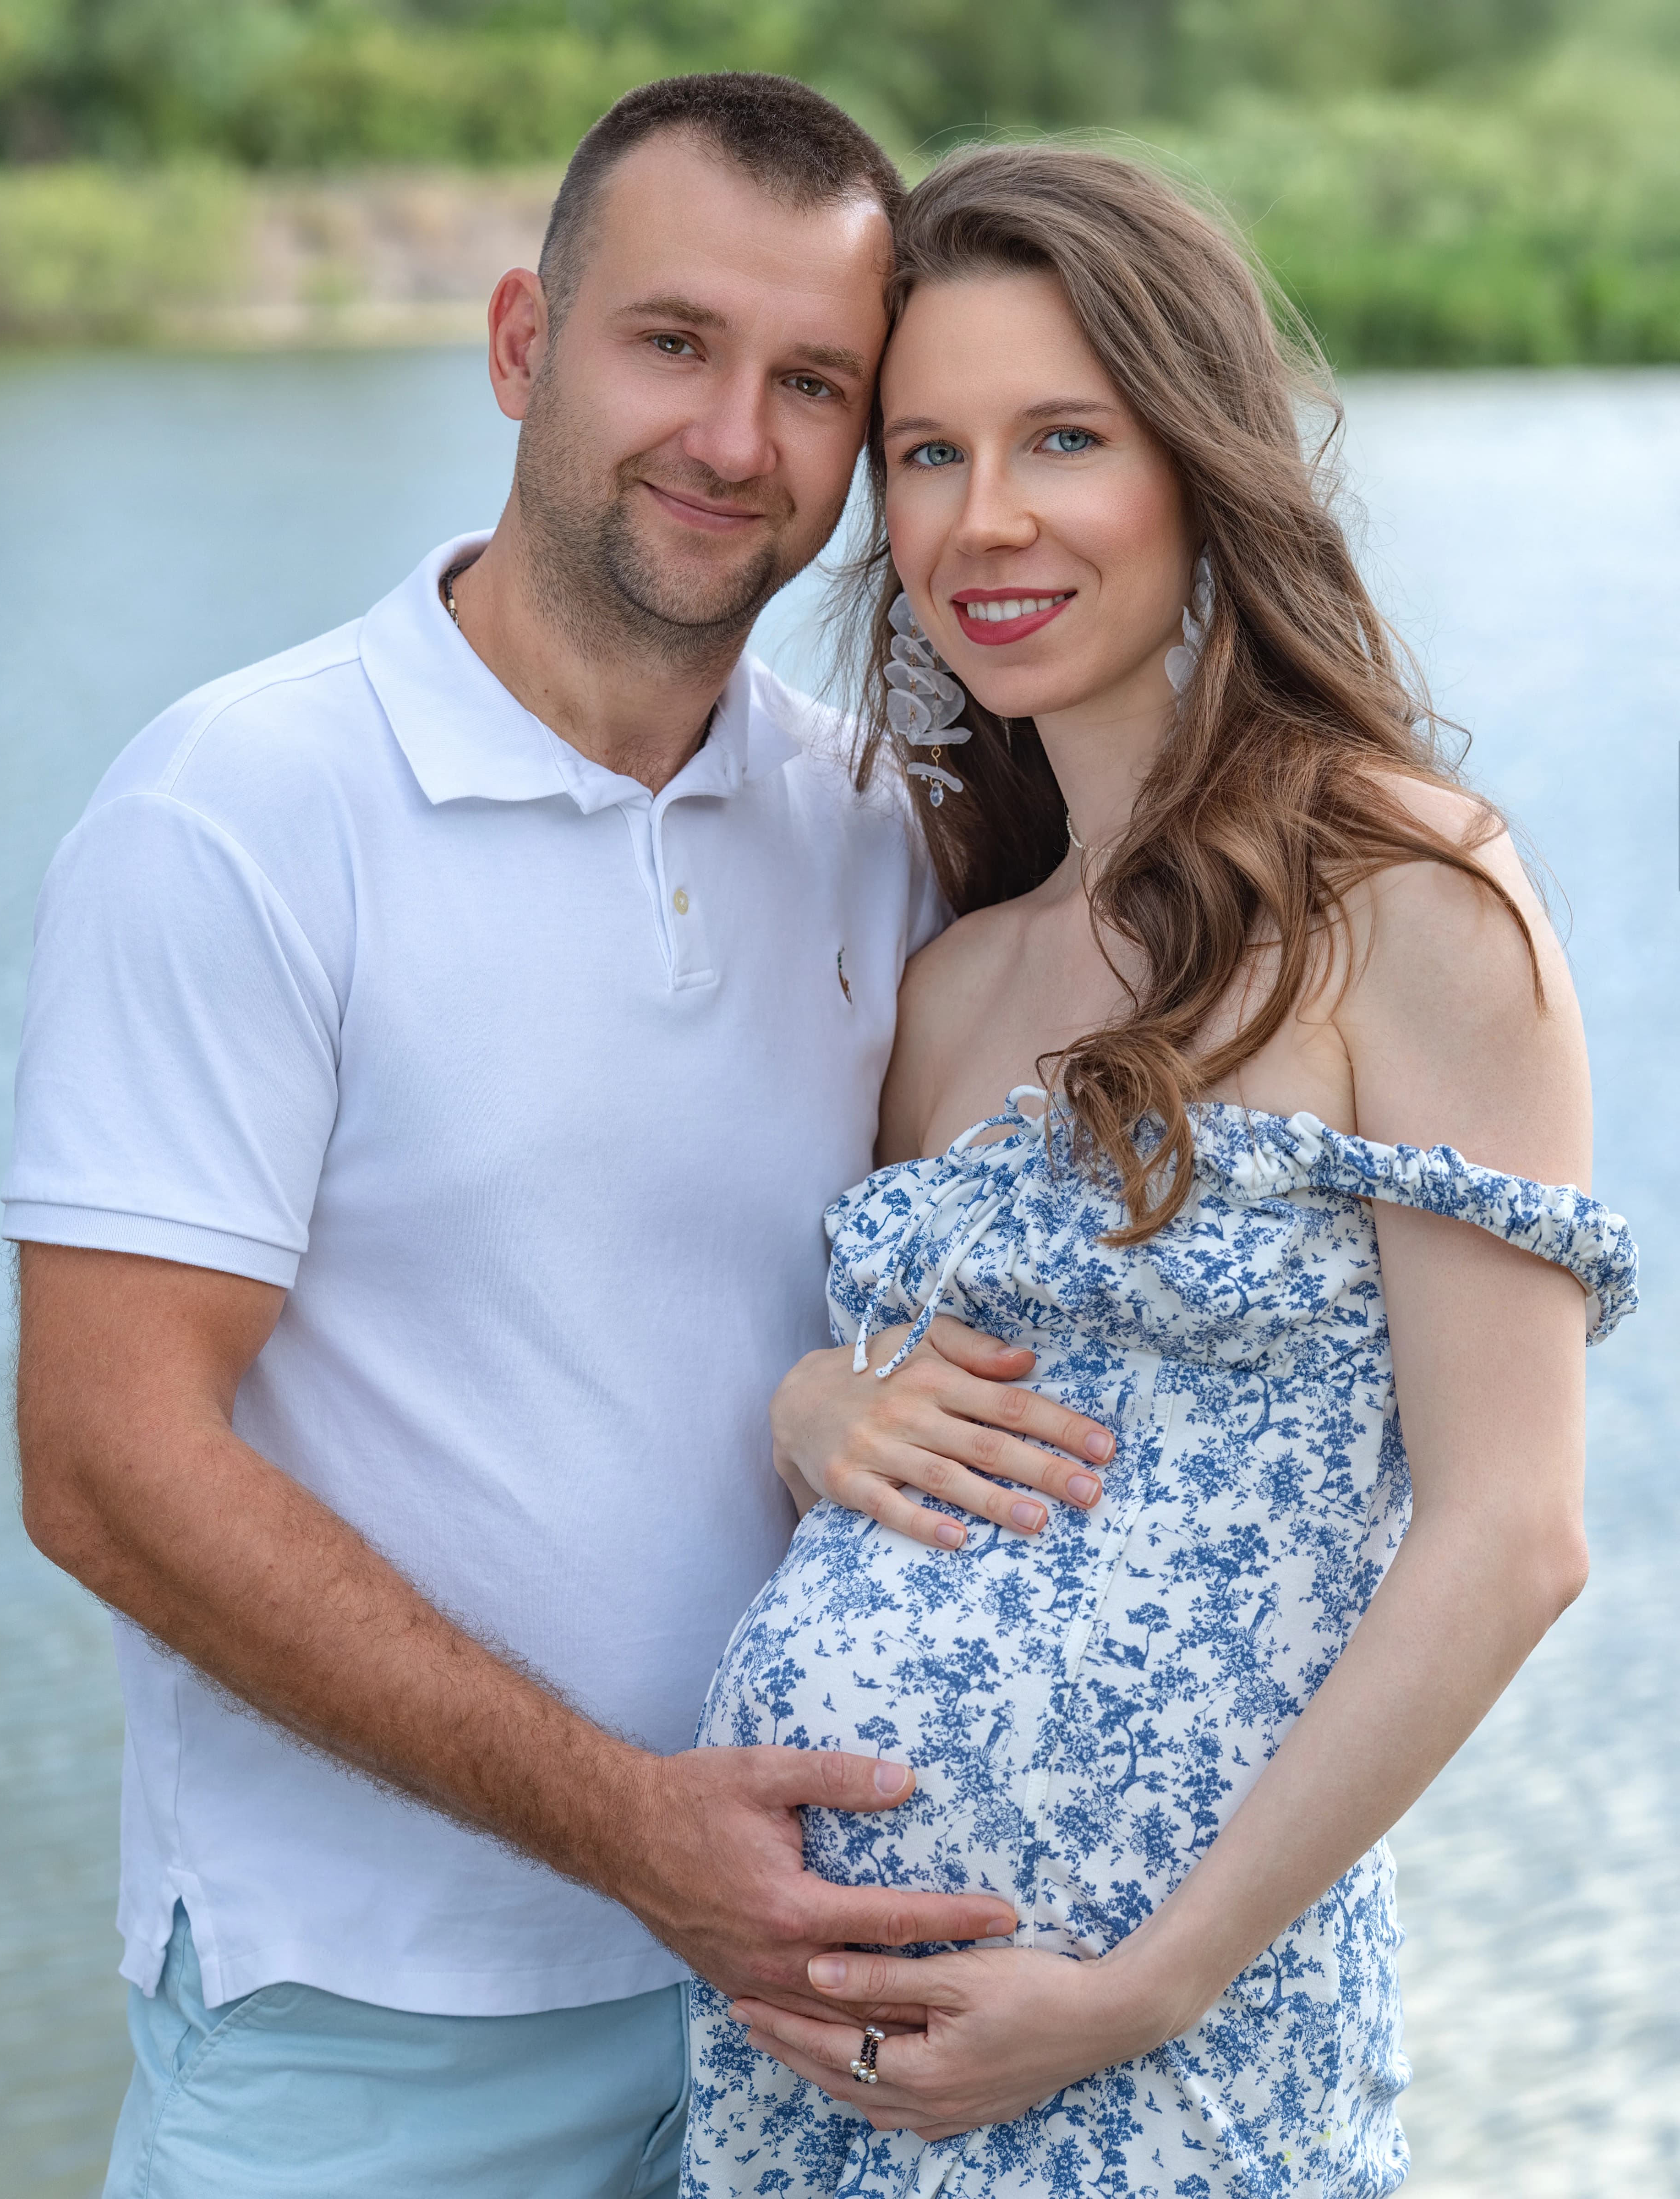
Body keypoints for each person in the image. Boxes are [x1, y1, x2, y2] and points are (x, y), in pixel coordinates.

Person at [5, 77, 1117, 2199]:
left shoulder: (881, 829)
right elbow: (106, 1466)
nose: (733, 439)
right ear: (524, 343)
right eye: (672, 344)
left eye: (815, 384)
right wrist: (627, 1825)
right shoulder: (242, 810)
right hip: (371, 2041)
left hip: (815, 2019)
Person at [681, 143, 1639, 2197]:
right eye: (926, 454)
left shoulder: (1403, 894)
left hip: (1173, 2055)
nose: (983, 520)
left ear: (1201, 467)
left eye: (1062, 439)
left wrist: (1149, 1984)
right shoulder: (952, 978)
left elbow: (1514, 1535)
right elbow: (889, 1423)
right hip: (821, 2067)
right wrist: (807, 1407)